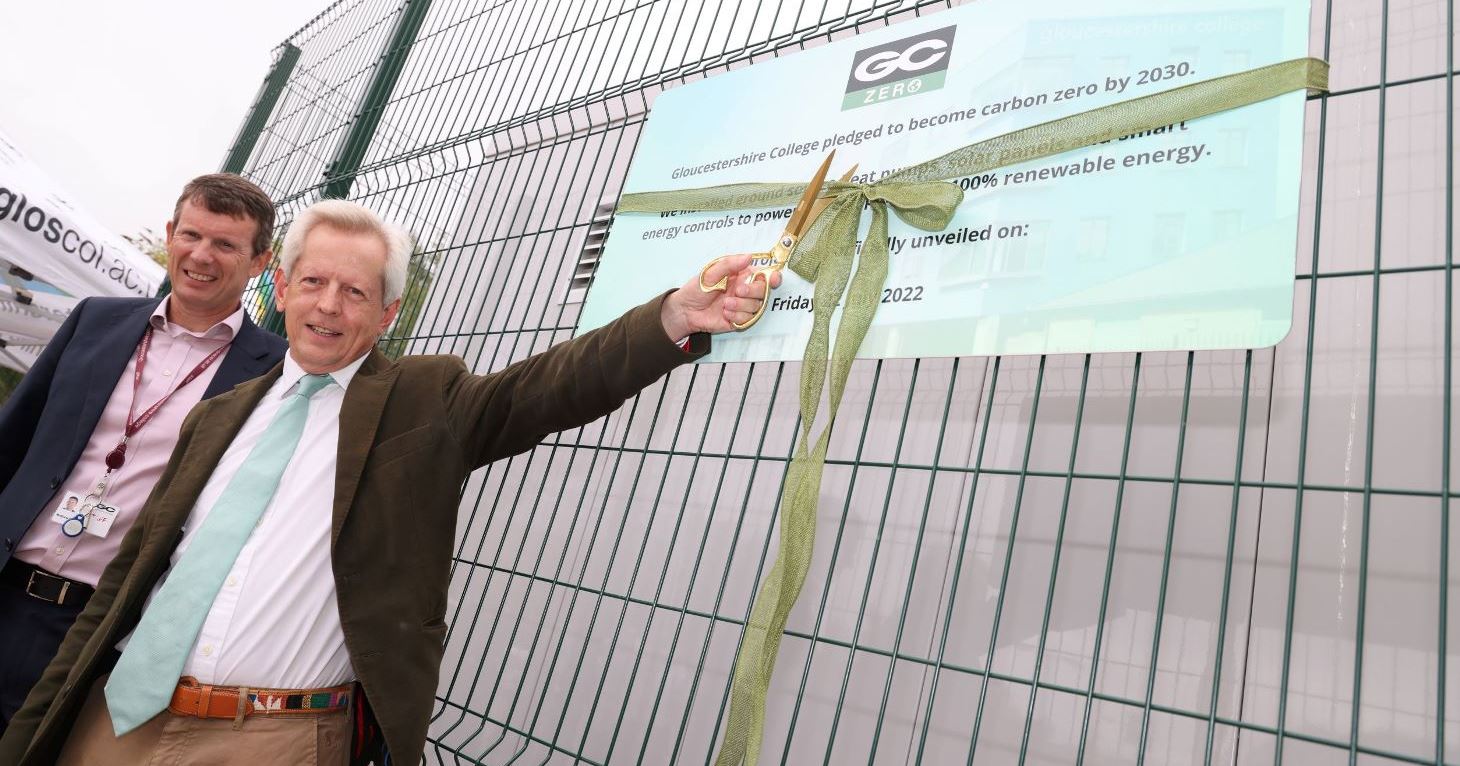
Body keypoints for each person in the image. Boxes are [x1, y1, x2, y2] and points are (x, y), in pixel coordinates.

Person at [0, 198, 776, 765]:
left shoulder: (421, 402)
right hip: (115, 719)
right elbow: (135, 576)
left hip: (274, 740)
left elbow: (549, 388)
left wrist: (674, 315)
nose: (328, 307)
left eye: (355, 293)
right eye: (313, 283)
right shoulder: (220, 413)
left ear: (388, 312)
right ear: (282, 287)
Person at [0, 174, 288, 735]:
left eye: (225, 244)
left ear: (259, 262)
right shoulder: (93, 320)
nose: (201, 256)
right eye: (191, 235)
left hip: (97, 633)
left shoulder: (273, 375)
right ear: (169, 234)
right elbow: (12, 443)